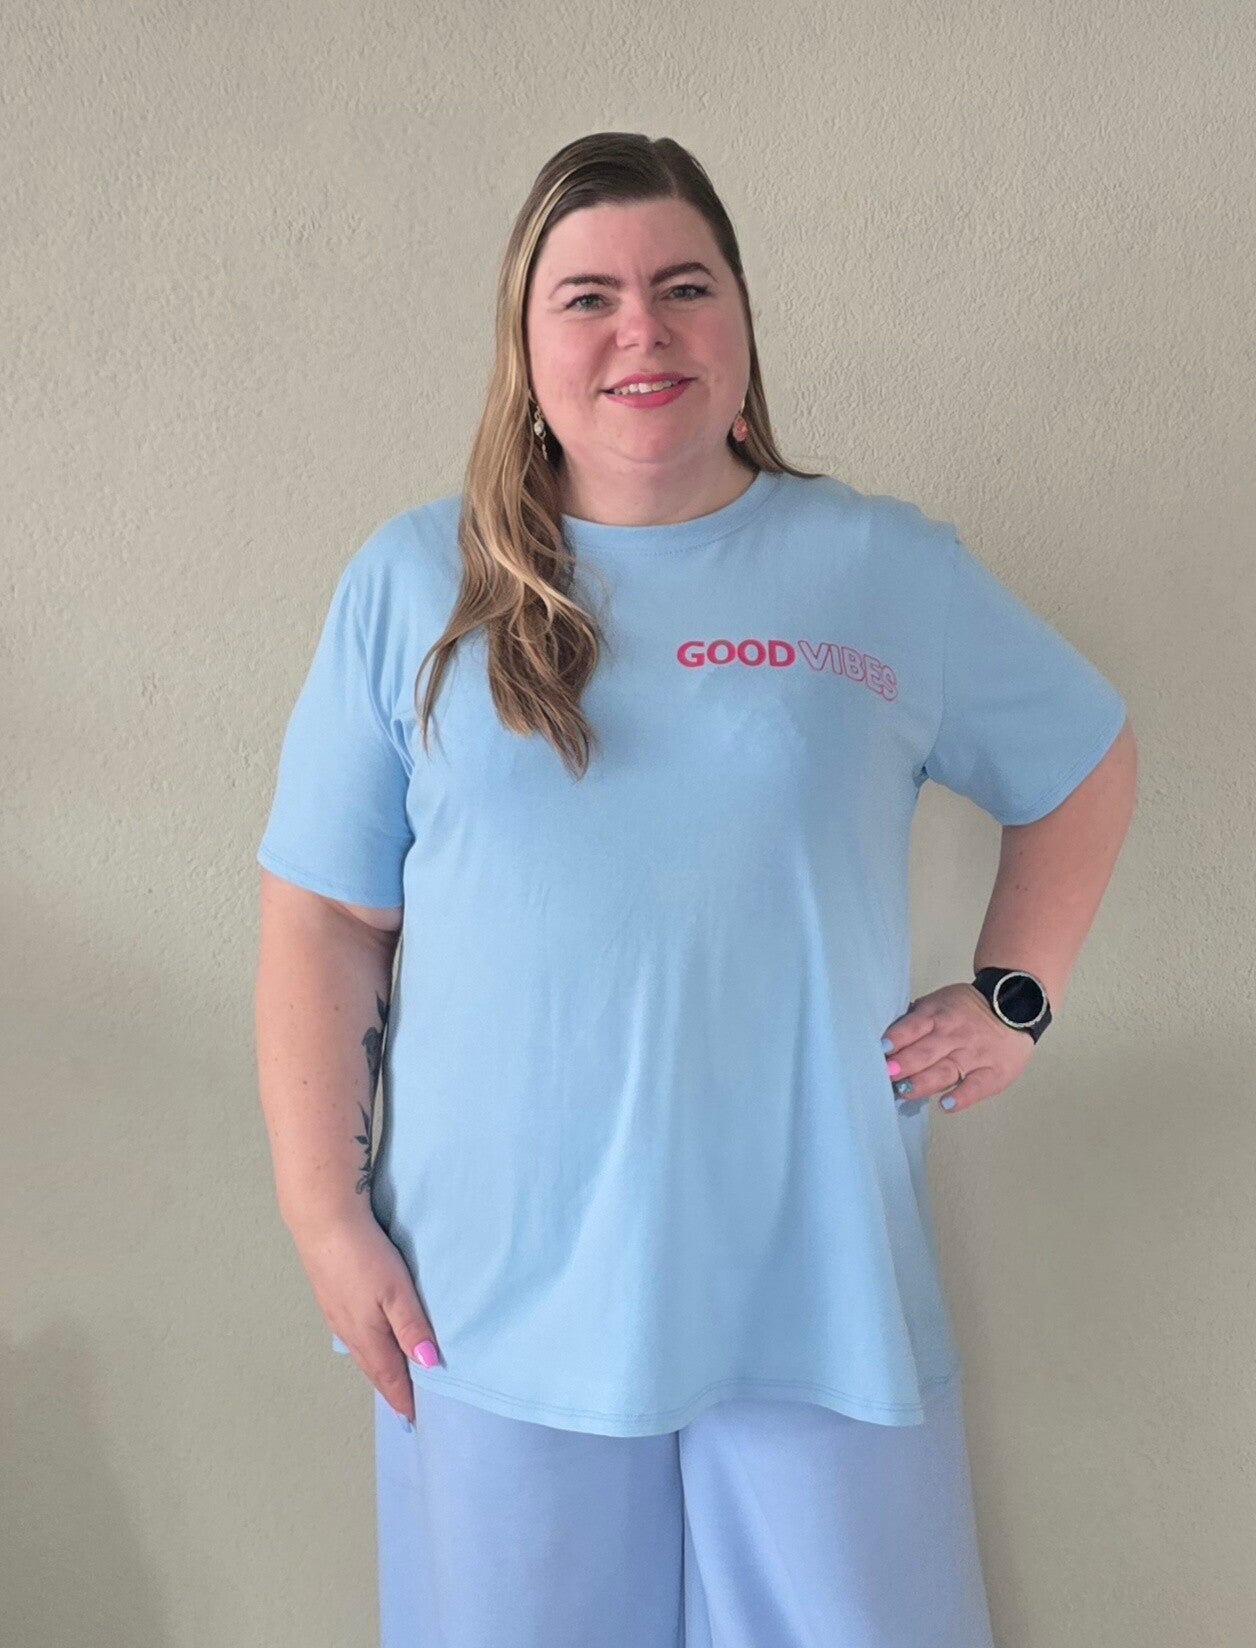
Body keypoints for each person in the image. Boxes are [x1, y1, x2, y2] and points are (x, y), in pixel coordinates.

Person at [254, 132, 1137, 1647]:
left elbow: (1083, 760)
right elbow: (325, 918)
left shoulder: (880, 569)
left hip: (818, 1293)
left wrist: (1015, 997)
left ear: (739, 319)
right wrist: (324, 1216)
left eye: (683, 286)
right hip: (493, 1306)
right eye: (587, 296)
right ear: (525, 346)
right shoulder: (416, 584)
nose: (641, 331)